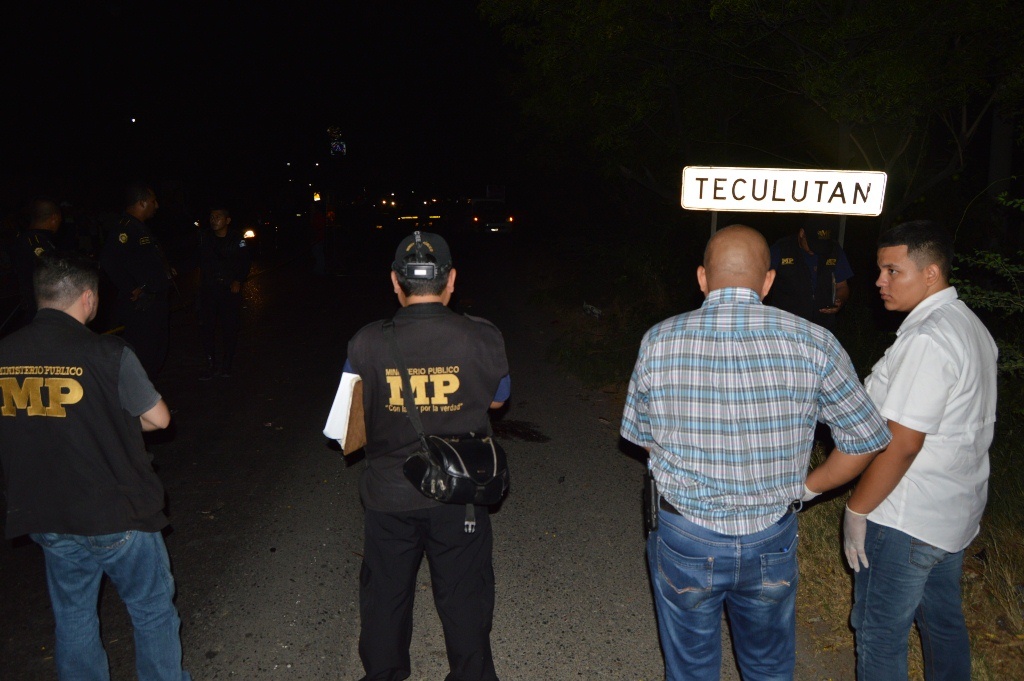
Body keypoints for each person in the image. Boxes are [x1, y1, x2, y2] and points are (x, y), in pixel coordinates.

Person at [620, 224, 892, 680]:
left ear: (702, 278)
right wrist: (806, 489)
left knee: (690, 669)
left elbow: (643, 437)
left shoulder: (659, 340)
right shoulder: (815, 342)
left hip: (686, 533)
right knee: (768, 667)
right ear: (768, 281)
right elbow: (868, 438)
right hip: (771, 535)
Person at [805, 220, 998, 680]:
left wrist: (857, 509)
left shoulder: (928, 339)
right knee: (942, 624)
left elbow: (904, 443)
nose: (879, 281)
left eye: (893, 271)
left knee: (879, 635)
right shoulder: (968, 324)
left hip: (907, 517)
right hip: (951, 512)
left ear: (930, 273)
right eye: (880, 270)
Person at [328, 230, 510, 681]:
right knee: (465, 599)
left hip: (389, 496)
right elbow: (498, 400)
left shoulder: (365, 342)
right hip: (460, 494)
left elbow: (345, 421)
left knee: (384, 599)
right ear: (452, 280)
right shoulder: (482, 336)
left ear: (395, 281)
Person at [0, 252, 191, 681]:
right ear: (88, 298)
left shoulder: (5, 353)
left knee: (73, 616)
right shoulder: (107, 351)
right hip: (115, 512)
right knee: (150, 609)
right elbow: (159, 419)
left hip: (46, 514)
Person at [99, 182, 173, 377]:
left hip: (155, 301)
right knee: (144, 353)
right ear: (141, 203)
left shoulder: (140, 227)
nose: (156, 205)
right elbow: (108, 260)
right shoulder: (125, 228)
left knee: (156, 351)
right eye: (153, 201)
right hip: (143, 305)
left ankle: (147, 393)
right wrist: (131, 287)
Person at [196, 205, 252, 380]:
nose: (214, 220)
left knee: (230, 328)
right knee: (207, 328)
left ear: (227, 220)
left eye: (218, 217)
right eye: (212, 217)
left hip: (229, 290)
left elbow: (245, 261)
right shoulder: (205, 237)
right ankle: (211, 365)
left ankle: (227, 364)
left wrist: (238, 280)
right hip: (209, 289)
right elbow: (199, 261)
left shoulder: (237, 238)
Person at [767, 221, 853, 330]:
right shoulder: (781, 249)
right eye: (813, 243)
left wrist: (839, 301)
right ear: (802, 233)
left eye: (821, 244)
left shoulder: (834, 250)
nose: (816, 249)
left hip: (822, 327)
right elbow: (760, 282)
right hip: (786, 326)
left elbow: (842, 286)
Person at [13, 198, 62, 326]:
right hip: (38, 309)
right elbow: (53, 273)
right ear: (54, 218)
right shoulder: (35, 242)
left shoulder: (34, 239)